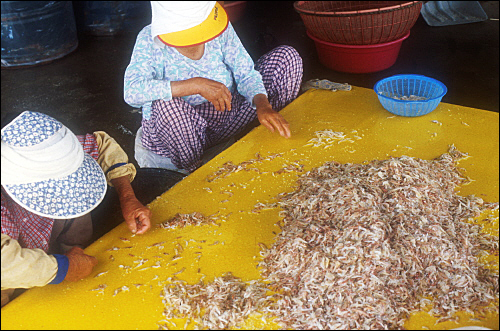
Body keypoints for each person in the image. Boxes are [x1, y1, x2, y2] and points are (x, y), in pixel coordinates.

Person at [124, 1, 303, 174]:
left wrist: (262, 104)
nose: (196, 39)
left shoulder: (216, 26)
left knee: (287, 58)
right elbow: (132, 91)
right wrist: (195, 85)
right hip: (180, 136)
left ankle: (269, 132)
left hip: (226, 117)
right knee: (166, 106)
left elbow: (245, 72)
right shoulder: (149, 40)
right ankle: (195, 172)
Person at [1, 111, 152, 307]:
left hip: (46, 242)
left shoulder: (48, 148)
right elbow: (6, 264)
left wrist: (127, 197)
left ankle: (71, 256)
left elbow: (102, 145)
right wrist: (65, 268)